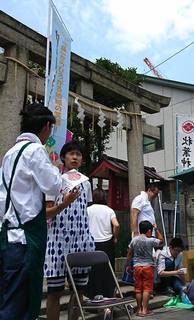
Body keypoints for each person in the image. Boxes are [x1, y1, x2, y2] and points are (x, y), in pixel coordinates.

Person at [0, 103, 62, 320]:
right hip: (27, 239)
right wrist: (55, 166)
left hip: (9, 236)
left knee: (9, 298)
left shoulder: (10, 154)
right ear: (46, 126)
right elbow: (53, 186)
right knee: (22, 305)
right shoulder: (36, 150)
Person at [44, 141, 95, 320]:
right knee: (54, 292)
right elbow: (46, 213)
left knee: (79, 291)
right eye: (71, 154)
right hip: (57, 240)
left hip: (81, 240)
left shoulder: (86, 183)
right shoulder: (54, 180)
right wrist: (64, 203)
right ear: (63, 157)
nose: (75, 157)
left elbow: (85, 211)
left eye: (78, 154)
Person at [86, 188, 120, 298]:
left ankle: (94, 295)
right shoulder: (109, 210)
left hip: (92, 243)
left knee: (93, 270)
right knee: (107, 269)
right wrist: (115, 237)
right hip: (107, 244)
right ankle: (108, 295)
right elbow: (116, 225)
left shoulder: (88, 210)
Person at [126, 221, 164, 317]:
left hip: (137, 267)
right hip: (148, 267)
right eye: (151, 231)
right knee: (147, 289)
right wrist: (156, 228)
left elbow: (130, 253)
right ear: (148, 231)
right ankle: (145, 310)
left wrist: (127, 265)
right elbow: (161, 241)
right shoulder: (150, 240)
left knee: (138, 289)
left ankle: (139, 309)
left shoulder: (134, 240)